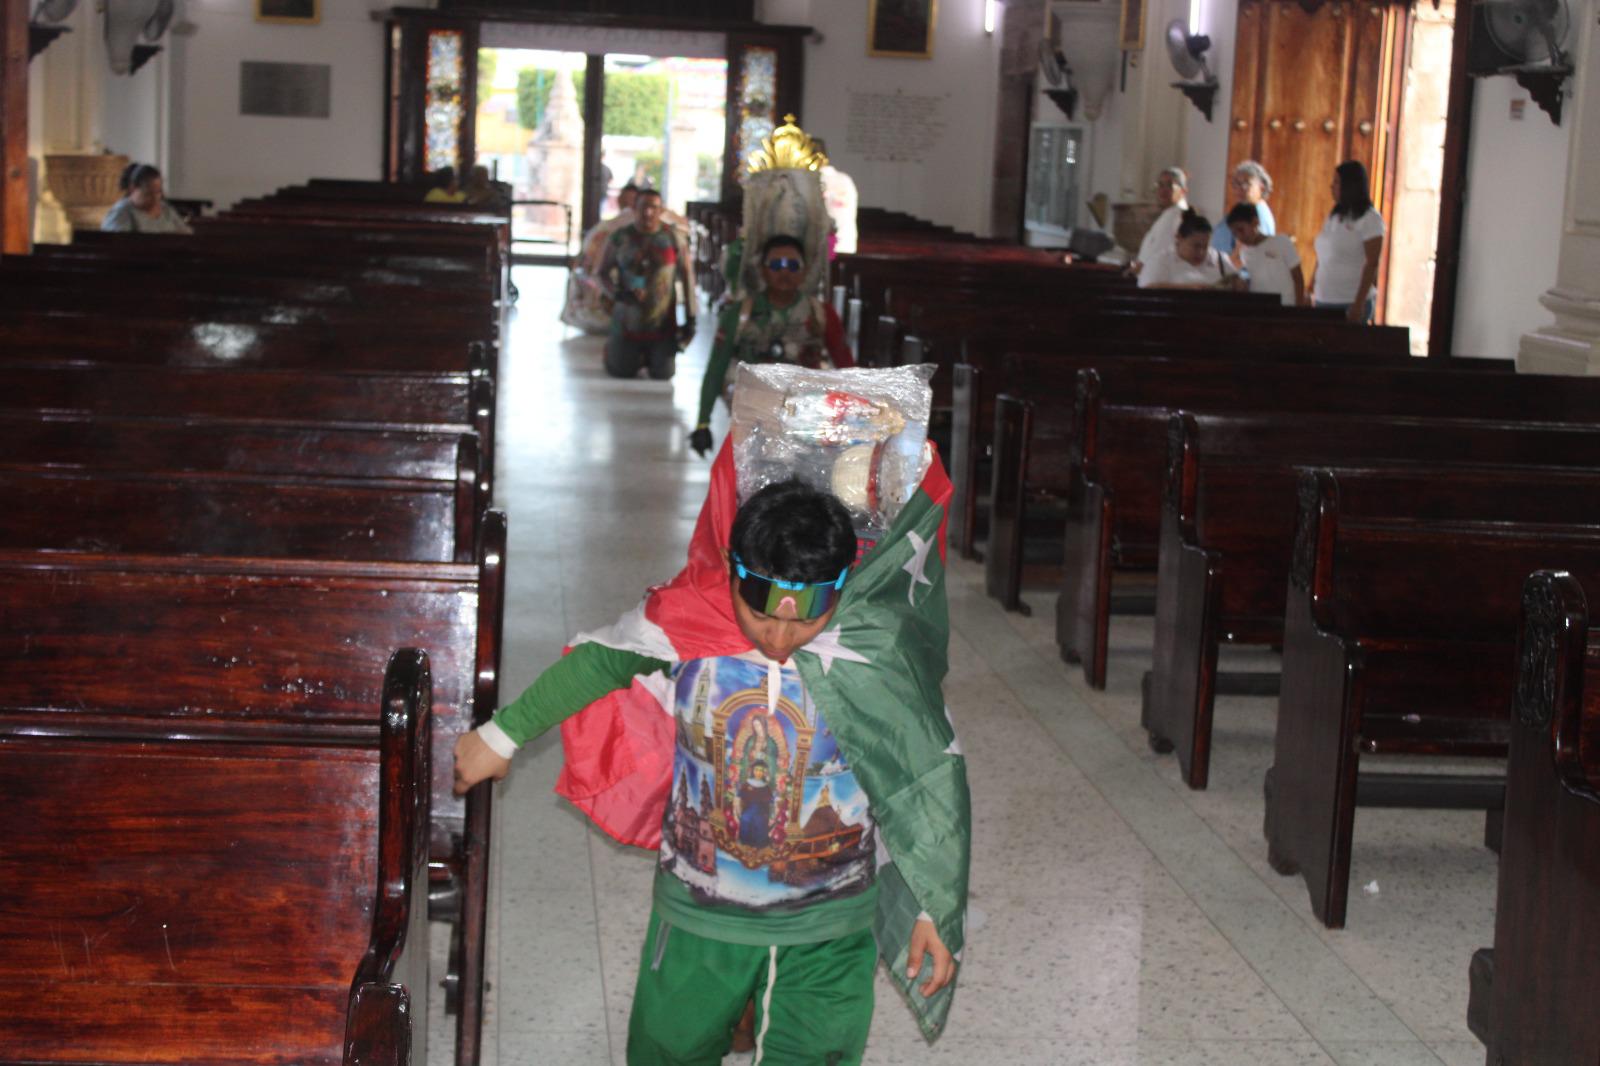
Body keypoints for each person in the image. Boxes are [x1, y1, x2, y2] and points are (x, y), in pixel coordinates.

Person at [452, 454, 969, 1065]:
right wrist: (503, 734)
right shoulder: (686, 623)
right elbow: (601, 661)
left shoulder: (871, 651)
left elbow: (926, 775)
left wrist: (936, 906)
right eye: (759, 616)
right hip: (702, 914)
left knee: (820, 1053)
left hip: (831, 922)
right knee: (671, 1048)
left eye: (806, 621)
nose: (779, 641)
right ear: (730, 572)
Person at [691, 235, 853, 457]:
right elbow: (716, 367)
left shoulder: (821, 314)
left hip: (806, 412)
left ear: (804, 271)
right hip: (753, 412)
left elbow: (847, 369)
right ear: (762, 270)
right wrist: (702, 422)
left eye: (793, 265)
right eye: (776, 265)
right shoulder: (739, 315)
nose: (784, 272)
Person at [596, 188, 696, 380]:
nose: (648, 212)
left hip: (662, 324)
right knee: (621, 372)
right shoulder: (619, 237)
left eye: (654, 208)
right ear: (634, 208)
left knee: (663, 374)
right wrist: (617, 294)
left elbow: (687, 278)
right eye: (643, 206)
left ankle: (652, 357)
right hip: (627, 321)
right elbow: (600, 274)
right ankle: (616, 351)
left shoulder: (674, 238)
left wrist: (691, 320)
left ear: (661, 210)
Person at [1310, 160, 1385, 323]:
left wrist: (1358, 303)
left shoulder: (1370, 218)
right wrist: (1310, 289)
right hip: (1324, 298)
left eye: (1336, 182)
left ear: (1350, 185)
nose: (1332, 186)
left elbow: (1372, 263)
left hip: (1349, 301)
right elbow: (1322, 258)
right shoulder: (1334, 216)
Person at [1227, 202, 1304, 307]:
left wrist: (1299, 308)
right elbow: (1231, 270)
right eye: (1235, 233)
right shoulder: (1244, 252)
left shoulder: (1281, 242)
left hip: (1286, 305)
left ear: (1255, 222)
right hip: (1260, 307)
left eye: (1241, 230)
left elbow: (1298, 277)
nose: (1239, 236)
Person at [1138, 210, 1239, 289]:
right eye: (1196, 246)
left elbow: (1236, 281)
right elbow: (1148, 289)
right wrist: (1187, 288)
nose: (1201, 252)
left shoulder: (1219, 258)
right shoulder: (1161, 261)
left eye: (1205, 246)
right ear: (1179, 238)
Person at [1129, 166, 1189, 276]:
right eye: (1160, 185)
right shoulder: (1168, 214)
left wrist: (1136, 269)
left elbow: (1159, 254)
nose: (1163, 190)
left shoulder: (1177, 216)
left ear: (1183, 191)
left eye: (1170, 185)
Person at [100, 164, 192, 235]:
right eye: (149, 194)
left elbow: (185, 233)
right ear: (133, 188)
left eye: (158, 192)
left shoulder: (165, 209)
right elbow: (116, 243)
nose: (156, 198)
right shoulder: (122, 212)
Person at [1212, 160, 1275, 259]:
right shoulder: (1241, 210)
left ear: (1261, 188)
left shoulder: (1258, 215)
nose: (1239, 189)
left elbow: (1249, 257)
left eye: (1246, 184)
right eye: (1236, 184)